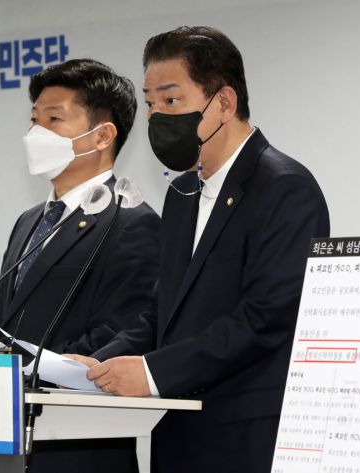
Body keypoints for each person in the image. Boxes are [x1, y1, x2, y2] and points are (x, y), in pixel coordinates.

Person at [66, 26, 330, 473]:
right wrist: (98, 363)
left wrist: (153, 373)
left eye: (172, 101)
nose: (157, 117)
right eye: (151, 104)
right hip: (178, 433)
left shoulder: (285, 187)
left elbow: (265, 319)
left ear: (223, 102)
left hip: (245, 435)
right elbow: (163, 311)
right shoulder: (183, 192)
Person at [0, 58, 160, 473]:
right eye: (34, 120)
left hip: (78, 447)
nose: (35, 133)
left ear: (102, 136)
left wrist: (31, 370)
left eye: (53, 119)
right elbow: (6, 318)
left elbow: (122, 333)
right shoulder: (30, 220)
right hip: (6, 439)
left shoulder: (132, 222)